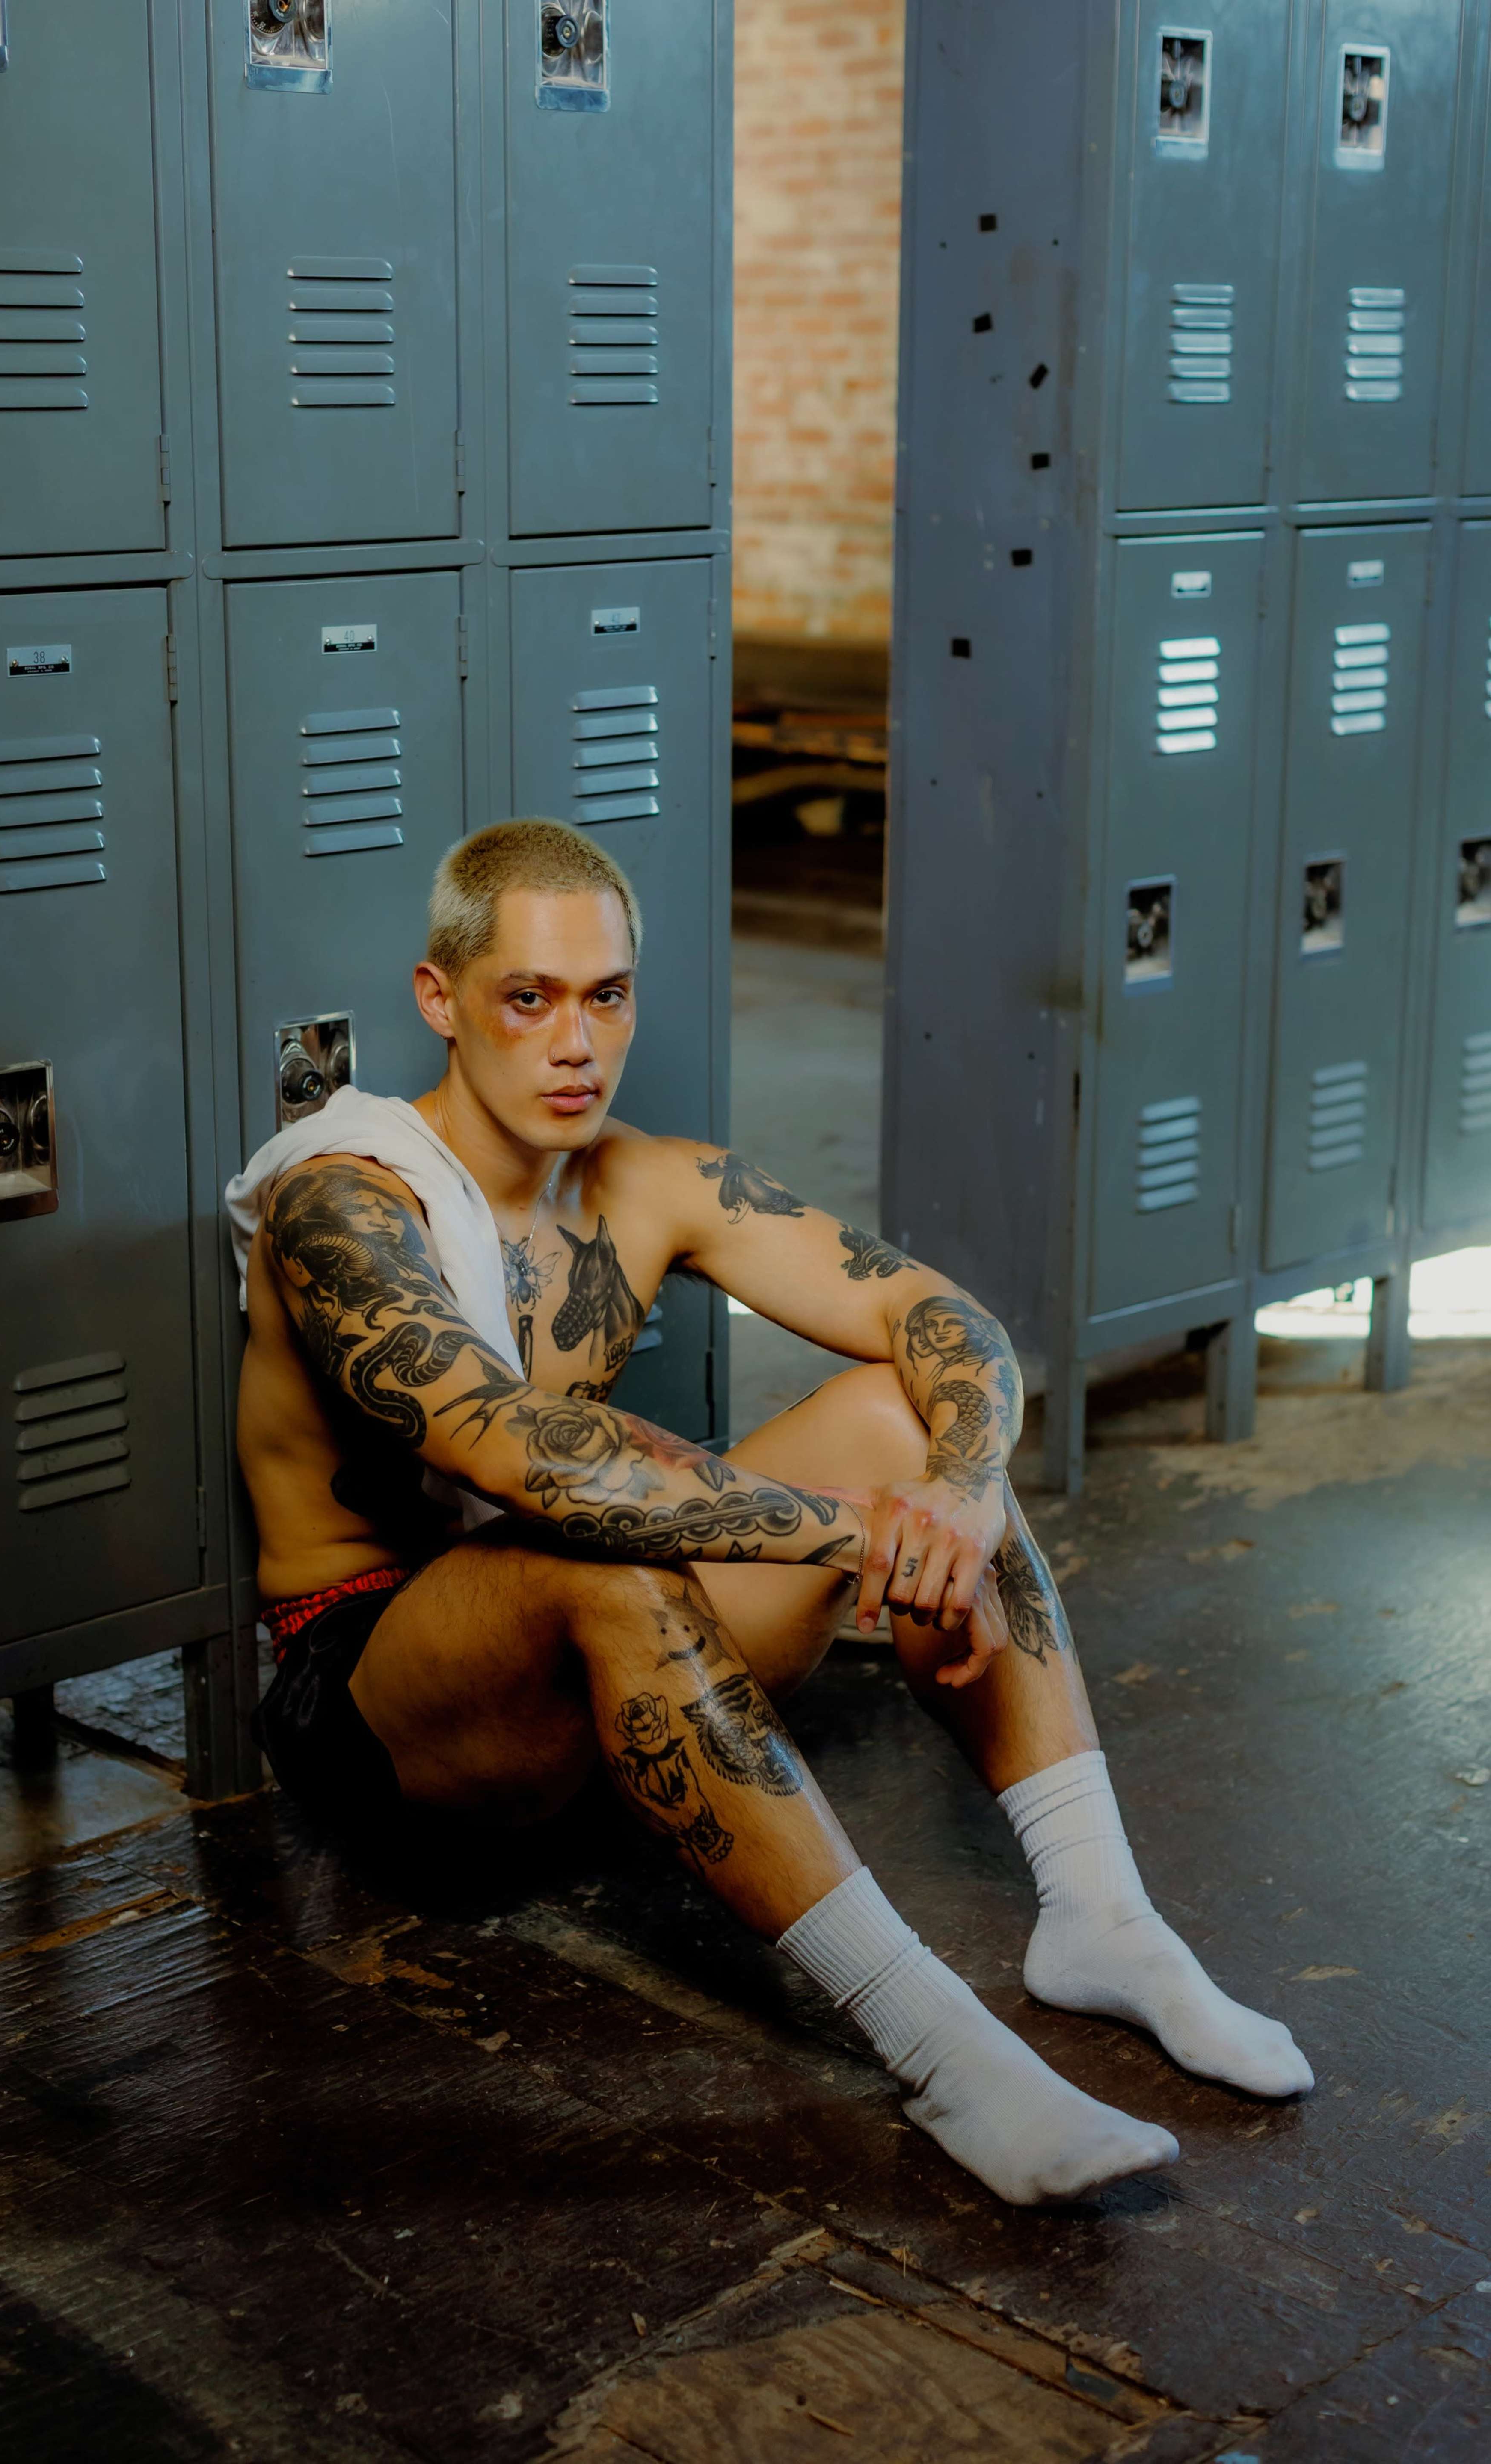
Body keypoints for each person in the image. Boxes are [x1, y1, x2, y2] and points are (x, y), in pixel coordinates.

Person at [231, 819, 1312, 2207]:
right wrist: (860, 1532)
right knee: (601, 1550)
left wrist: (960, 1498)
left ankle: (1103, 1915)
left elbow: (940, 1316)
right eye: (529, 997)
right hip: (391, 1710)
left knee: (900, 1414)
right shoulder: (339, 1196)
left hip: (609, 1702)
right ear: (440, 1000)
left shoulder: (646, 1178)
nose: (576, 1042)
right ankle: (945, 2056)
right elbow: (518, 1451)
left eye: (606, 996)